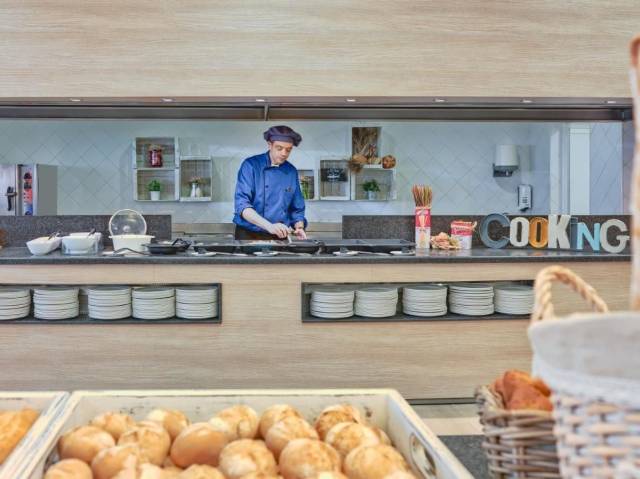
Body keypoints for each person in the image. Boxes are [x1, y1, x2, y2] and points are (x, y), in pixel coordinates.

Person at [233, 125, 308, 240]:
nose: (284, 153)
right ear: (270, 145)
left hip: (279, 234)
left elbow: (297, 207)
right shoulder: (251, 165)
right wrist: (269, 226)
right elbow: (242, 206)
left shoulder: (291, 171)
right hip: (249, 234)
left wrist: (299, 227)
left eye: (288, 150)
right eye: (279, 148)